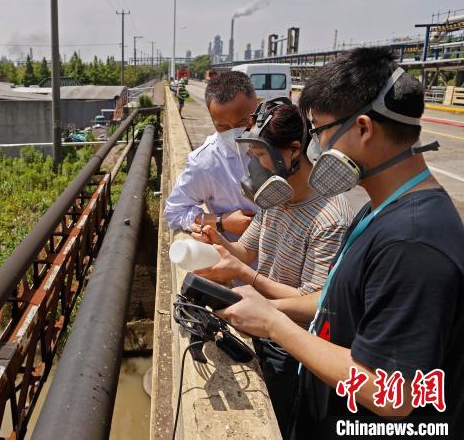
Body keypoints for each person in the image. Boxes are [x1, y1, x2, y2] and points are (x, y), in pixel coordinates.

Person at [216, 47, 464, 439]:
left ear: (363, 128)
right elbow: (334, 300)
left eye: (320, 132)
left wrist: (276, 326)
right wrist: (260, 309)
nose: (316, 149)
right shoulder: (380, 210)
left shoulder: (413, 242)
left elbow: (390, 395)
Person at [191, 99, 354, 437]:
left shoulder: (329, 217)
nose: (254, 166)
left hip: (290, 348)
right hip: (259, 326)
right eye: (251, 156)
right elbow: (246, 250)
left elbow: (312, 302)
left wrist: (247, 276)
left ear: (294, 150)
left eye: (260, 155)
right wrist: (217, 242)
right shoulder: (275, 195)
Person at [164, 71, 258, 242]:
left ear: (257, 106)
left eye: (243, 123)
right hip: (241, 261)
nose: (235, 133)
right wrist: (222, 221)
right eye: (223, 127)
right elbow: (175, 212)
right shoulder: (205, 162)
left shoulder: (282, 140)